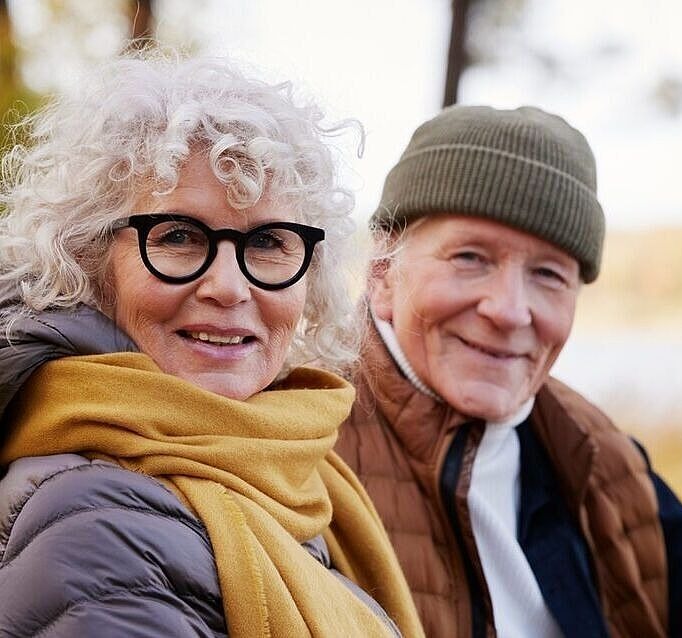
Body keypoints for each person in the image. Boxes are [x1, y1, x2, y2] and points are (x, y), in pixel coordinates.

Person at [336, 105, 682, 637]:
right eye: (470, 258)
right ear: (383, 275)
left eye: (548, 274)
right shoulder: (305, 448)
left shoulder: (596, 457)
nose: (509, 310)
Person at [0, 56, 422, 638]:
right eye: (178, 236)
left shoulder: (298, 473)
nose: (229, 287)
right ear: (90, 261)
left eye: (269, 242)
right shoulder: (99, 529)